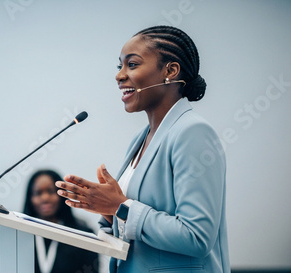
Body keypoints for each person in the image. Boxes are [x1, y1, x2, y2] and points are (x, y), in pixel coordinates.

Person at [55, 26, 230, 272]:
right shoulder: (141, 139)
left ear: (170, 71)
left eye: (132, 65)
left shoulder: (193, 132)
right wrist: (109, 211)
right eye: (120, 67)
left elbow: (196, 236)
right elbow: (138, 223)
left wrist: (120, 207)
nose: (119, 76)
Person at [23, 170, 99, 273]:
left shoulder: (83, 236)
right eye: (38, 193)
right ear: (30, 198)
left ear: (62, 195)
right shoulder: (19, 234)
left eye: (50, 191)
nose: (45, 198)